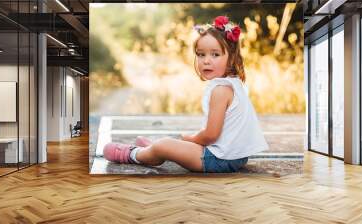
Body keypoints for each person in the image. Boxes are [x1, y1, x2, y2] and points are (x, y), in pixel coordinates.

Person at [103, 16, 268, 173]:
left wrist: (190, 139)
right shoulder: (234, 83)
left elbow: (210, 135)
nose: (206, 60)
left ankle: (137, 154)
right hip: (236, 156)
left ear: (231, 58)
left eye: (215, 54)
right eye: (201, 54)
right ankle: (155, 150)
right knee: (180, 141)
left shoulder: (221, 90)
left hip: (219, 159)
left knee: (166, 144)